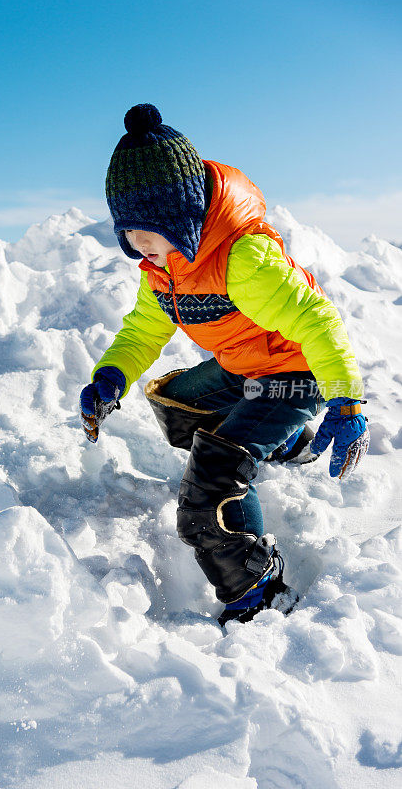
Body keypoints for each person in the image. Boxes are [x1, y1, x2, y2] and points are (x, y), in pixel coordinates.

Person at [79, 103, 369, 625]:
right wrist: (111, 376)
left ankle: (258, 590)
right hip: (244, 368)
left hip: (294, 375)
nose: (140, 250)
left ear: (183, 219)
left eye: (149, 234)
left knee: (208, 492)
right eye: (130, 237)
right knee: (178, 405)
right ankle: (284, 444)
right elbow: (144, 329)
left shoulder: (243, 259)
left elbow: (318, 322)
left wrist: (347, 402)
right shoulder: (162, 268)